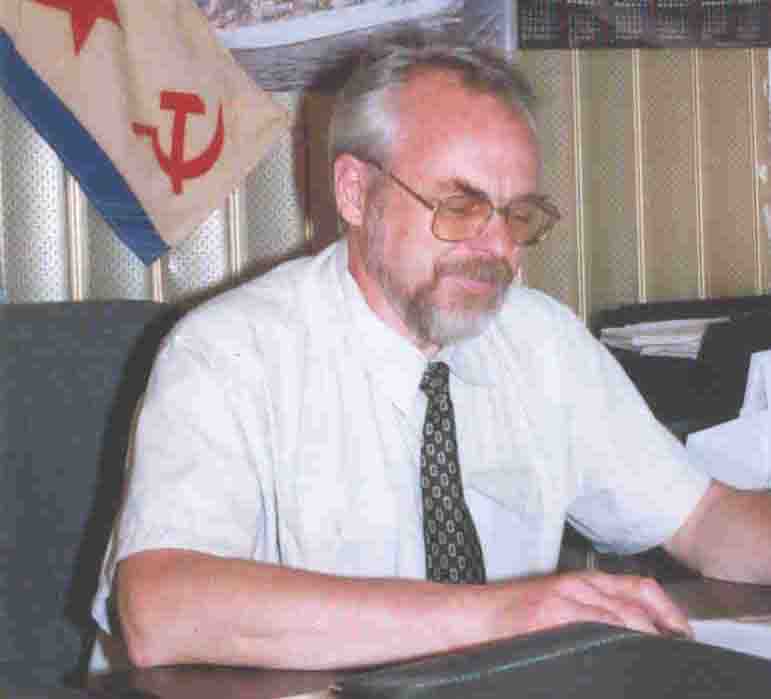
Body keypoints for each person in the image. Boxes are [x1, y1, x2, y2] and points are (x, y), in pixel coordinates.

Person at [91, 38, 771, 672]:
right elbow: (160, 609)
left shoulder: (539, 340)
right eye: (460, 206)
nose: (497, 248)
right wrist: (500, 616)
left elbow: (705, 520)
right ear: (355, 192)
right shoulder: (230, 351)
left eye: (517, 215)